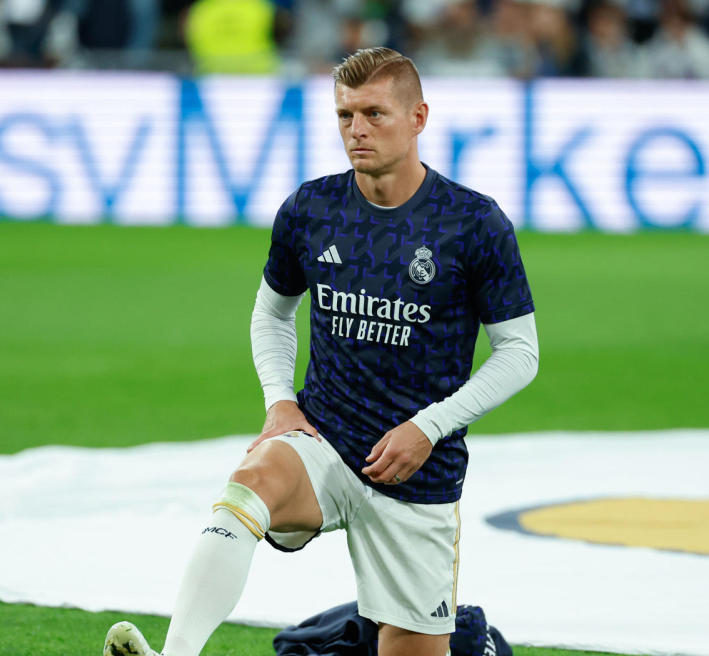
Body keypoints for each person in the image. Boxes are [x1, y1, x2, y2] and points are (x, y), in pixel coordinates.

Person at [102, 47, 539, 656]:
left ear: (418, 118)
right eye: (344, 115)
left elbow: (520, 353)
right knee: (248, 484)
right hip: (323, 439)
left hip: (417, 471)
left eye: (374, 114)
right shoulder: (312, 208)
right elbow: (272, 311)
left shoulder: (472, 223)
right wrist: (280, 402)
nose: (356, 130)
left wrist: (428, 427)